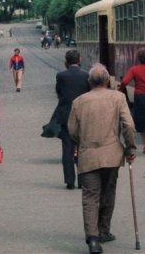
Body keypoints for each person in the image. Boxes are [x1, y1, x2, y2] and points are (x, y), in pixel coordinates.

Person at [68, 64, 136, 254]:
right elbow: (128, 126)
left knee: (90, 198)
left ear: (89, 82)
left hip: (88, 156)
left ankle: (93, 239)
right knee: (108, 193)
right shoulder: (118, 97)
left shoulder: (79, 102)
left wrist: (82, 141)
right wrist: (130, 148)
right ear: (107, 81)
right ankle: (104, 230)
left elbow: (72, 130)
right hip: (112, 155)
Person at [55, 50, 90, 190]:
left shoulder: (61, 76)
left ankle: (69, 181)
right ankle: (82, 180)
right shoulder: (86, 75)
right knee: (82, 148)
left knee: (67, 149)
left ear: (66, 61)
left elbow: (58, 92)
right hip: (82, 116)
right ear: (79, 60)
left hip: (66, 116)